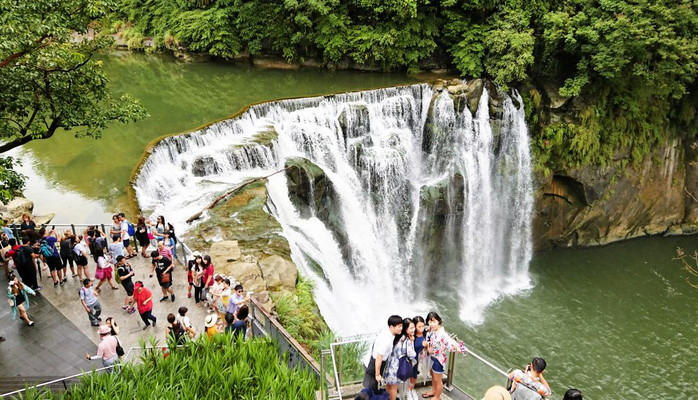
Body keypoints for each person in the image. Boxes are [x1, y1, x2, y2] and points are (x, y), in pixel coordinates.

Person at [423, 311, 468, 400]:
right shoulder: (431, 331)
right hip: (431, 356)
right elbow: (430, 341)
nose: (432, 324)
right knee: (433, 377)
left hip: (438, 360)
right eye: (430, 322)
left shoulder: (442, 334)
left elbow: (450, 341)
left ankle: (437, 396)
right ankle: (433, 391)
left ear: (439, 321)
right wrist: (428, 345)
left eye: (434, 321)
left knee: (438, 380)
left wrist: (458, 347)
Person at [362, 315, 403, 393]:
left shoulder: (387, 331)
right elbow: (379, 357)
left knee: (372, 388)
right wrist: (377, 374)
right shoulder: (386, 340)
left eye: (401, 326)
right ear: (391, 327)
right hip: (373, 364)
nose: (401, 328)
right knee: (370, 389)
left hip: (374, 362)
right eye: (399, 326)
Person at [384, 318, 416, 400]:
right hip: (397, 367)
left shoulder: (397, 336)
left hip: (390, 364)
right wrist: (412, 342)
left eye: (414, 327)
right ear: (406, 329)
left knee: (388, 385)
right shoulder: (406, 340)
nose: (414, 329)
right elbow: (411, 355)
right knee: (394, 388)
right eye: (411, 328)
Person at [407, 316, 427, 399]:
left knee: (415, 376)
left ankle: (411, 390)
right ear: (414, 326)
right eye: (419, 326)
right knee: (409, 376)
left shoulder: (426, 334)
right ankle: (408, 391)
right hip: (411, 360)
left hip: (419, 360)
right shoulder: (412, 337)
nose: (422, 328)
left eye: (423, 326)